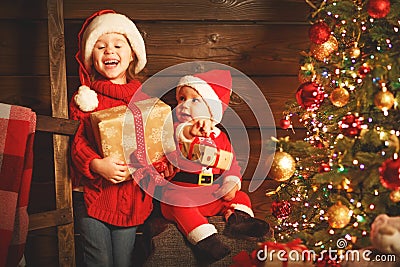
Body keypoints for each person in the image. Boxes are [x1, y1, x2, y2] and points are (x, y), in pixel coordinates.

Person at [69, 10, 174, 267]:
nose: (109, 52)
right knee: (99, 259)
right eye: (100, 47)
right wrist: (95, 164)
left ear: (132, 55)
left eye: (118, 45)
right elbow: (76, 142)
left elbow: (157, 147)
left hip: (131, 199)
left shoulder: (146, 101)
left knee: (123, 260)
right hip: (94, 194)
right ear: (91, 58)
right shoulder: (85, 100)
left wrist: (158, 164)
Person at [160, 70, 271, 263]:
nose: (183, 104)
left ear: (211, 108)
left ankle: (239, 221)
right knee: (177, 202)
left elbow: (232, 165)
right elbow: (180, 142)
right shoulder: (176, 130)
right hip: (184, 193)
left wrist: (231, 183)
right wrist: (190, 131)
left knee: (241, 196)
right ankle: (205, 241)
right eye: (181, 99)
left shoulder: (220, 137)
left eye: (194, 100)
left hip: (211, 193)